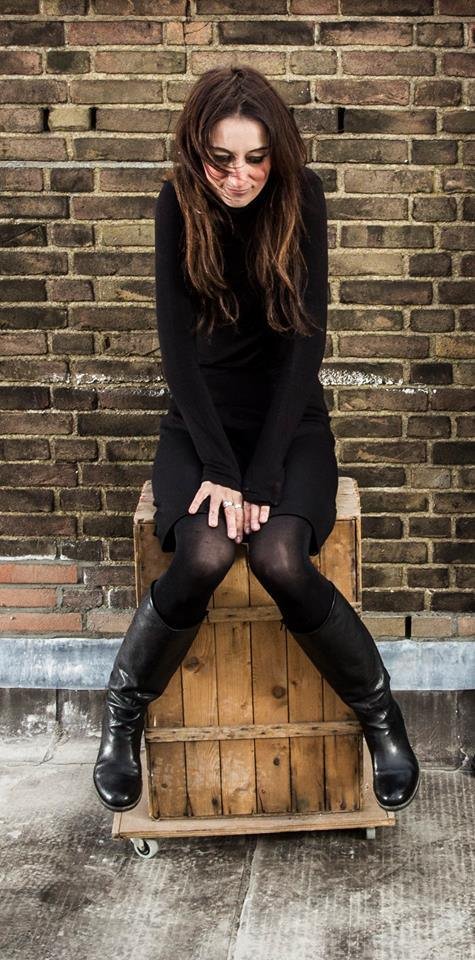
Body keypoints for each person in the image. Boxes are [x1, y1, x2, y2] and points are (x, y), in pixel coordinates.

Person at [93, 66, 420, 816]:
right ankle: (121, 721)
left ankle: (381, 720)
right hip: (200, 422)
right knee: (202, 555)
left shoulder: (303, 198)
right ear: (196, 152)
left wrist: (263, 477)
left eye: (255, 158)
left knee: (279, 557)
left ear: (277, 154)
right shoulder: (176, 203)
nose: (238, 177)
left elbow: (305, 347)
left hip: (289, 420)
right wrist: (219, 467)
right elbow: (176, 350)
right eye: (221, 159)